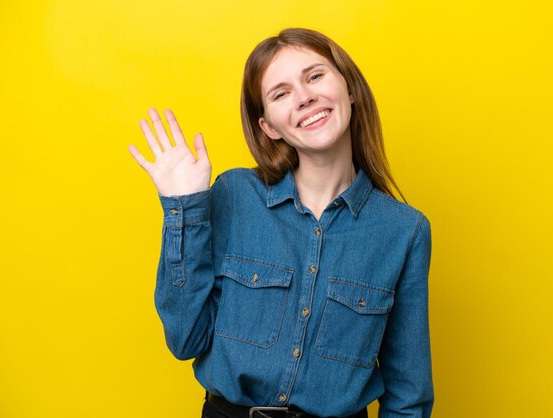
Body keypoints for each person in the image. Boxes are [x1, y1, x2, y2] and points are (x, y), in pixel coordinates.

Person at [128, 28, 433, 418]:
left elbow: (409, 395)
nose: (305, 97)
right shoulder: (233, 196)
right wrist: (184, 209)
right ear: (269, 126)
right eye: (281, 93)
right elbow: (186, 339)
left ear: (350, 88)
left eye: (315, 76)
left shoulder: (404, 232)